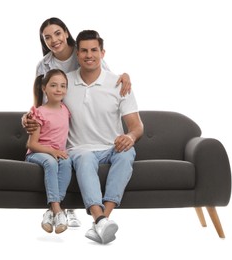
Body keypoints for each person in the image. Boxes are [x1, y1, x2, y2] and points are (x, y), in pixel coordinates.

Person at [26, 17, 134, 227]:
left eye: (57, 33)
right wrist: (30, 116)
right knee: (73, 153)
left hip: (89, 131)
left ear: (66, 33)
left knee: (73, 153)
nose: (53, 40)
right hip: (65, 130)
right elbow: (40, 99)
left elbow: (108, 79)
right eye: (47, 37)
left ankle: (95, 218)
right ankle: (63, 208)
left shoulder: (83, 51)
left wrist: (125, 76)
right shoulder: (44, 64)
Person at [63, 30, 144, 244]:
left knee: (127, 154)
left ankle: (102, 219)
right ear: (77, 54)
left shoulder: (119, 83)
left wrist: (131, 136)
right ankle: (100, 219)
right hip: (79, 148)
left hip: (111, 147)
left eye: (94, 50)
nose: (89, 55)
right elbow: (47, 110)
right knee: (85, 157)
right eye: (84, 51)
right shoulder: (65, 82)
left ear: (102, 52)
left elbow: (136, 126)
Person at [25, 69, 72, 234]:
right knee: (51, 162)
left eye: (63, 86)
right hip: (37, 154)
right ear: (44, 88)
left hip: (57, 153)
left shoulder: (65, 110)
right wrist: (52, 151)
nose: (59, 89)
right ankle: (58, 210)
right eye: (53, 85)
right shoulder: (39, 113)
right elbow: (31, 144)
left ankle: (50, 212)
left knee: (67, 162)